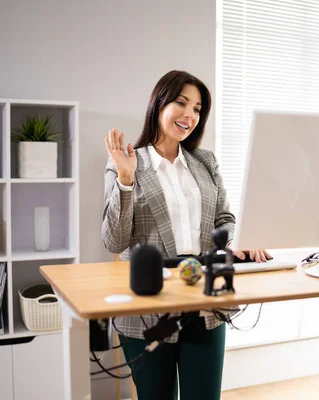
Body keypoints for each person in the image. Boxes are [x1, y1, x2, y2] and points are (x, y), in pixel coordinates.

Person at [101, 70, 271, 400]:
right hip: (149, 305)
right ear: (159, 103)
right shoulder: (127, 162)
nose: (189, 115)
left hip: (205, 302)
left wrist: (234, 241)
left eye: (197, 108)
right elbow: (115, 241)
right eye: (181, 103)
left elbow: (224, 217)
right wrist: (125, 178)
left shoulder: (205, 161)